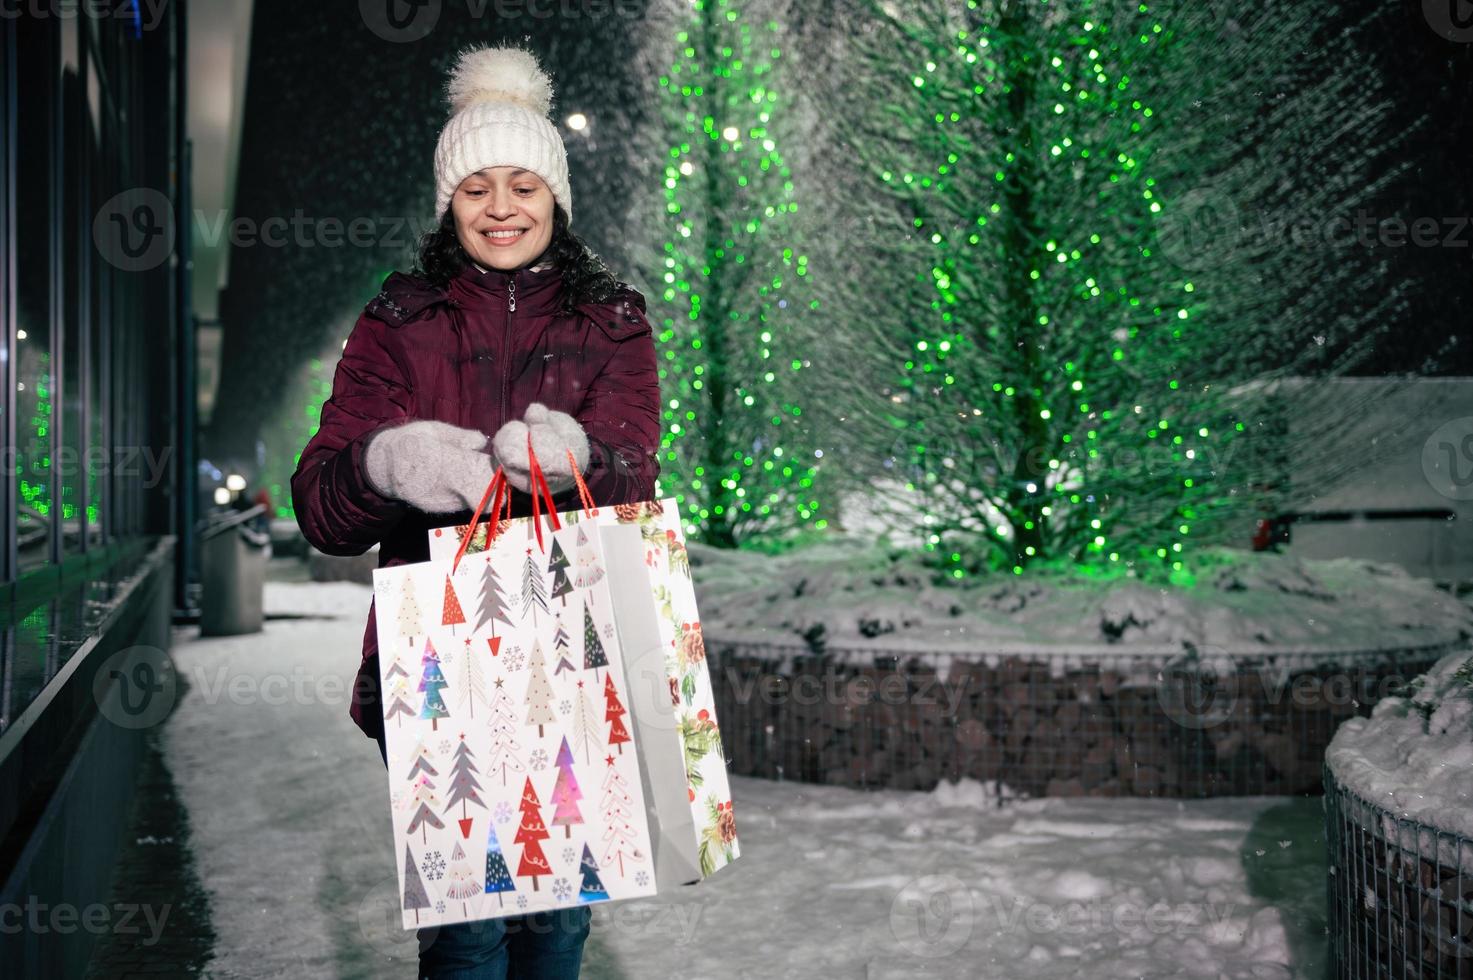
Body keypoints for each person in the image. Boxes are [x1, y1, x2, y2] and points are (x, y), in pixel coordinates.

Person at [289, 43, 661, 980]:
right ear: (448, 203)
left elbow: (632, 473)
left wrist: (583, 458)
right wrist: (384, 462)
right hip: (433, 669)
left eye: (524, 185)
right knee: (467, 929)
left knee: (559, 925)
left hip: (573, 659)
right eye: (475, 188)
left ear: (557, 197)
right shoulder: (397, 322)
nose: (501, 208)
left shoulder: (614, 320)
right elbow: (322, 509)